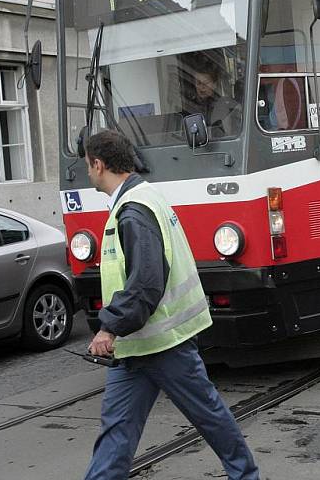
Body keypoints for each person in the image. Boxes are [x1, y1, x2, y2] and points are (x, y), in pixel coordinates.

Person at [83, 130, 259, 480]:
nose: (88, 172)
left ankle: (246, 476)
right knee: (115, 434)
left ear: (99, 165)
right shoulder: (140, 199)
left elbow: (146, 284)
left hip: (166, 343)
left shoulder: (134, 211)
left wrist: (109, 327)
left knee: (210, 417)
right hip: (135, 347)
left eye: (88, 165)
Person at [182, 52, 242, 138]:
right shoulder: (190, 108)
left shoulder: (227, 105)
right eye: (198, 83)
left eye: (206, 83)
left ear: (215, 84)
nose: (202, 87)